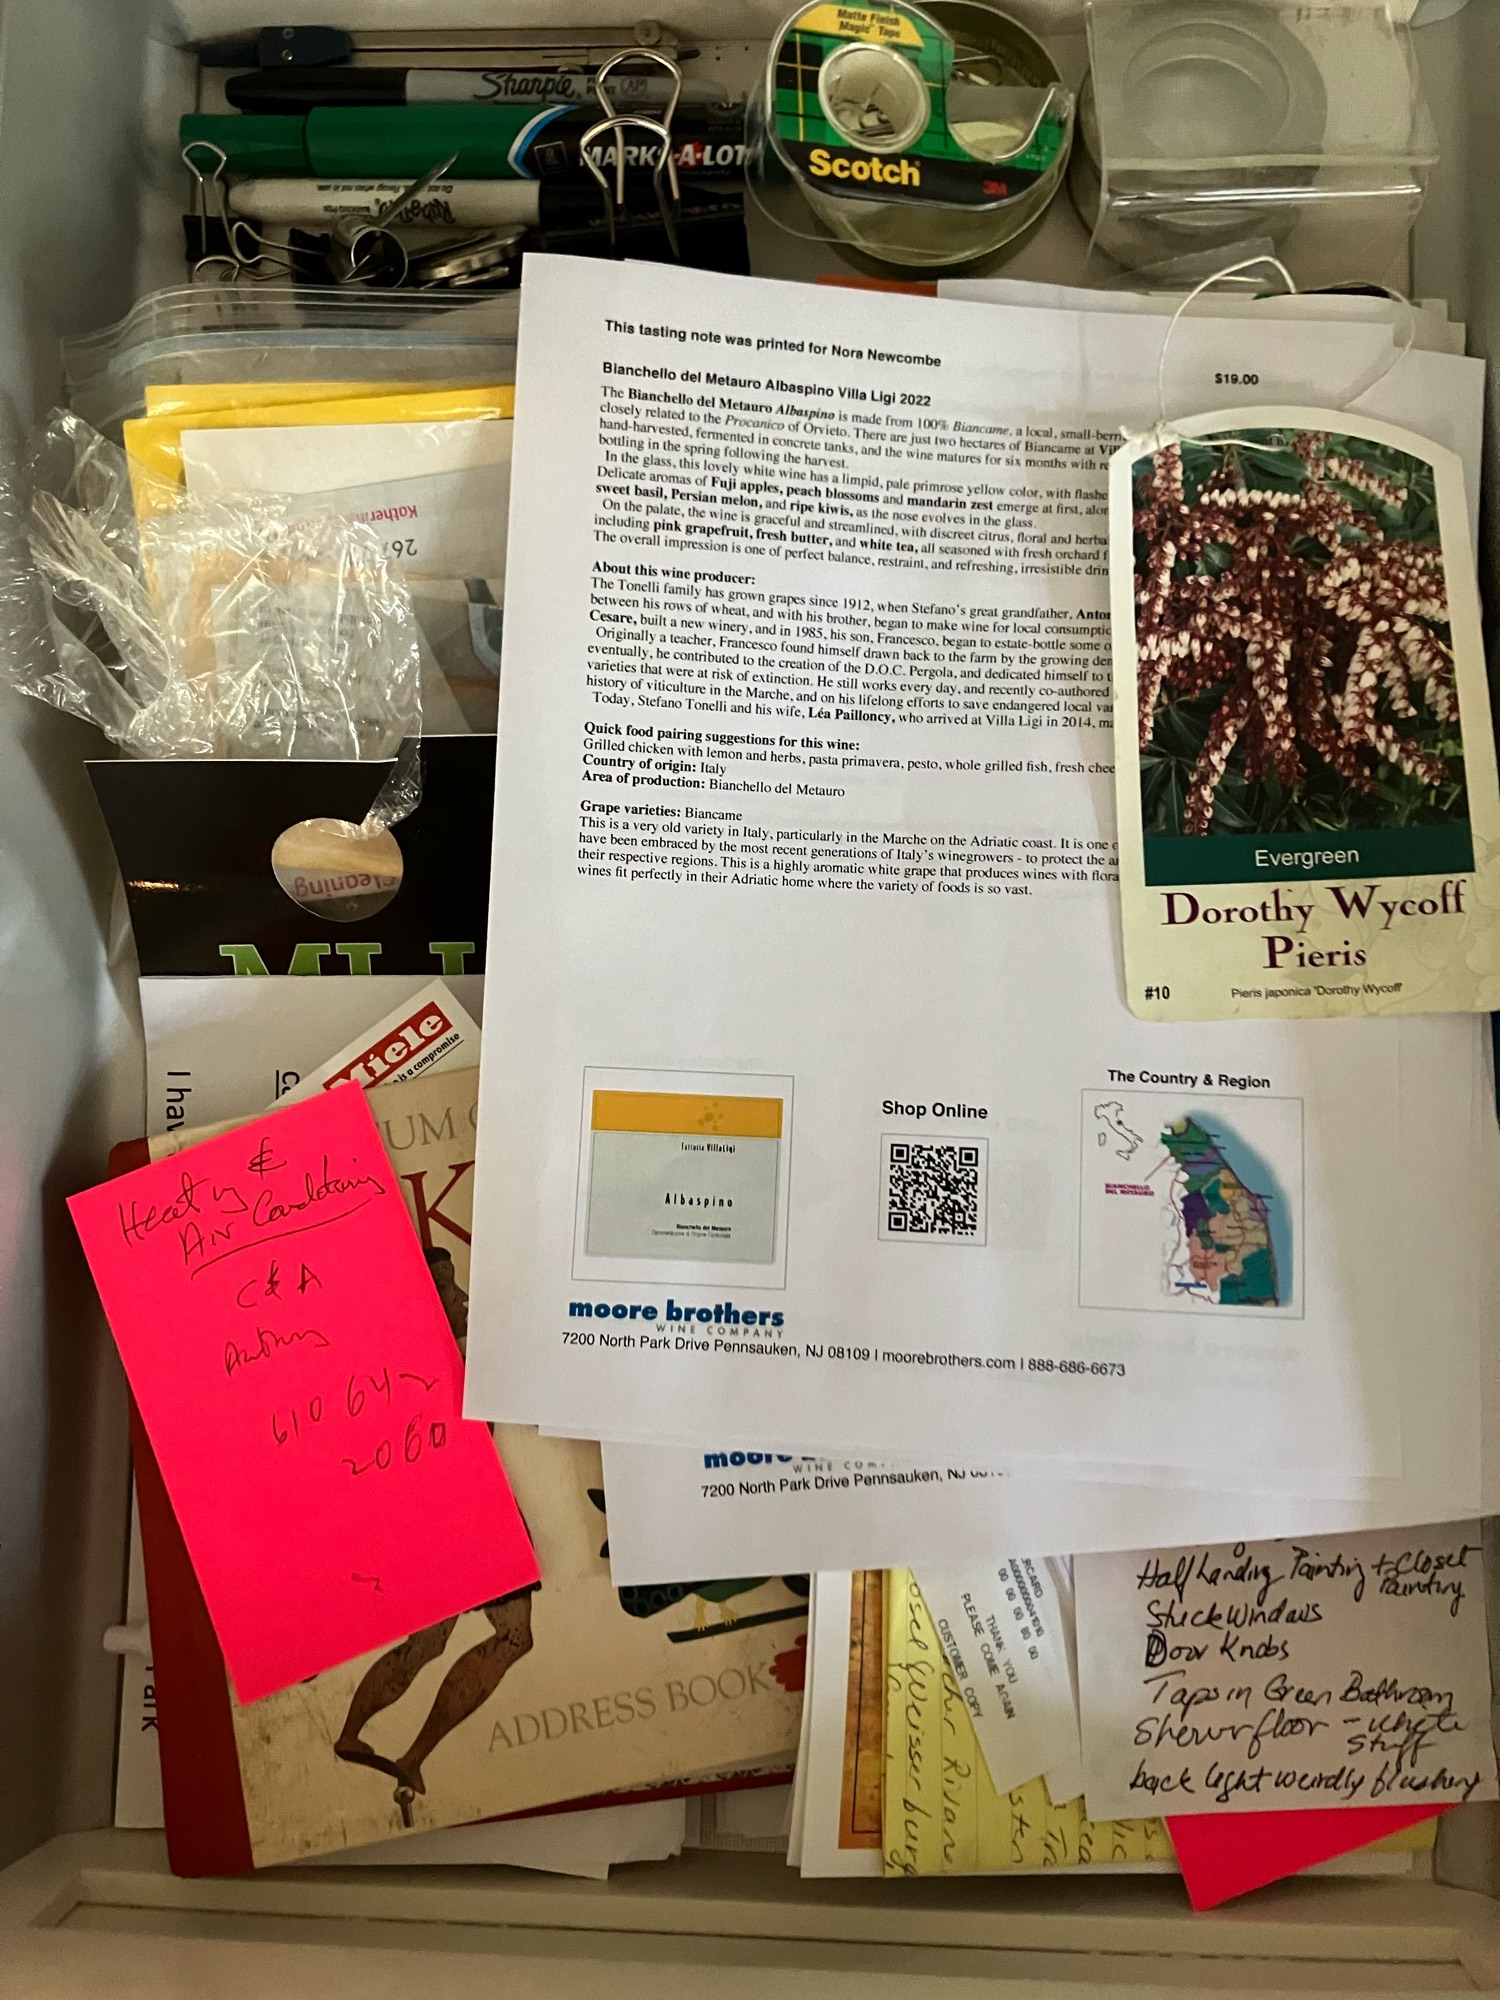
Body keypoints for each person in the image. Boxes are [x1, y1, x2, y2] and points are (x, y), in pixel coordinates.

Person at [333, 1248, 538, 1809]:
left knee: (430, 1641)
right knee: (509, 1637)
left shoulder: (423, 1355)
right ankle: (408, 1754)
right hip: (464, 1514)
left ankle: (367, 1740)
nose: (462, 1299)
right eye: (449, 1288)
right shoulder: (420, 1363)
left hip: (454, 1511)